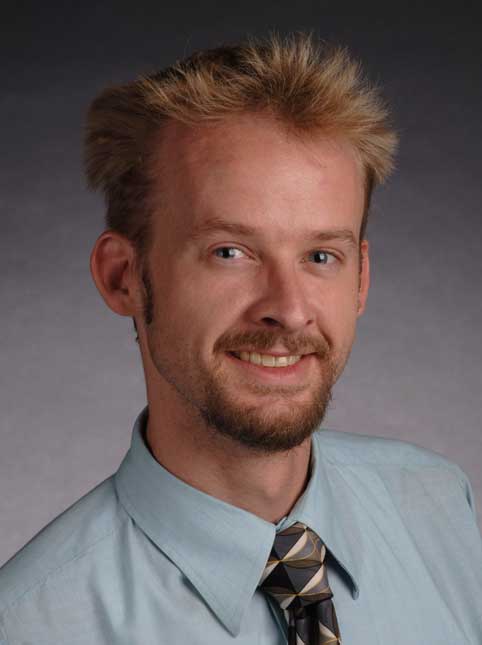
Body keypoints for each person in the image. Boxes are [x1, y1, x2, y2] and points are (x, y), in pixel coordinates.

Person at [0, 32, 481, 645]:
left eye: (320, 255)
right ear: (124, 278)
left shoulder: (439, 504)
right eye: (230, 252)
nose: (288, 308)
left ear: (361, 278)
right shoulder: (31, 625)